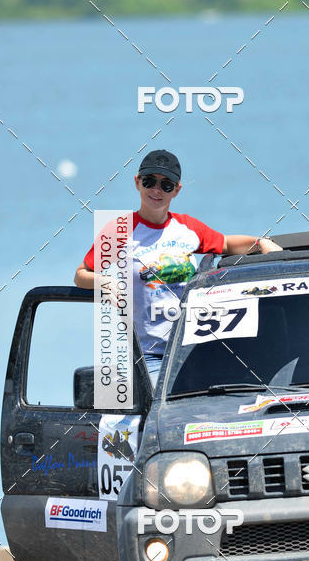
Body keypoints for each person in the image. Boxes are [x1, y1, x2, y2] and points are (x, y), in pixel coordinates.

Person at [74, 149, 281, 385]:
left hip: (191, 349)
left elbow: (225, 243)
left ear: (177, 190)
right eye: (149, 181)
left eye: (166, 185)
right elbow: (81, 274)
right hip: (148, 354)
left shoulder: (187, 227)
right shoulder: (120, 230)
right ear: (137, 182)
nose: (156, 190)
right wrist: (103, 282)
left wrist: (262, 242)